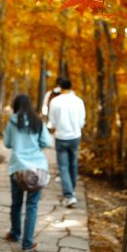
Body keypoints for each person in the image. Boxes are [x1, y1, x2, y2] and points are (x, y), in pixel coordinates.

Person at [3, 94, 53, 252]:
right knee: (32, 206)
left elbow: (7, 143)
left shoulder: (12, 121)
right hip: (37, 169)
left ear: (15, 106)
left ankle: (15, 233)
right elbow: (47, 142)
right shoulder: (37, 121)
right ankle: (27, 243)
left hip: (18, 168)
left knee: (16, 203)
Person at [47, 78, 86, 207]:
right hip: (75, 136)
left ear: (59, 87)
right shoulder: (78, 101)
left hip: (61, 136)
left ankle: (69, 195)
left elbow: (52, 121)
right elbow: (81, 122)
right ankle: (71, 192)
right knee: (73, 164)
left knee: (63, 166)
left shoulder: (55, 101)